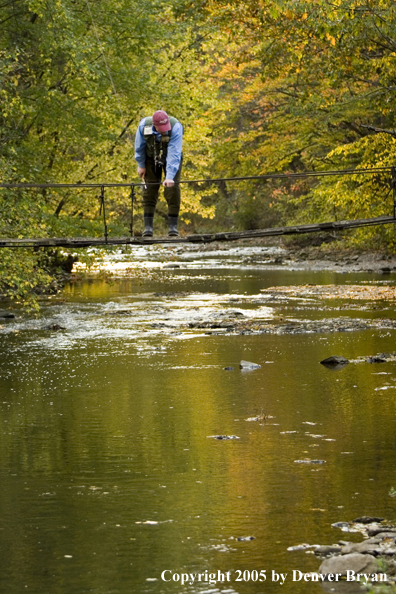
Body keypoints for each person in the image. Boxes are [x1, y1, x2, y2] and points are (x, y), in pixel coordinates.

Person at [134, 110, 183, 237]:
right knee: (149, 189)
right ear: (155, 125)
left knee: (172, 189)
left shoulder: (176, 127)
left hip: (171, 158)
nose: (164, 130)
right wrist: (141, 165)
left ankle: (173, 227)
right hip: (150, 157)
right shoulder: (144, 125)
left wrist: (170, 176)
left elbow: (174, 152)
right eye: (161, 128)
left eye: (165, 127)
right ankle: (148, 228)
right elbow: (139, 146)